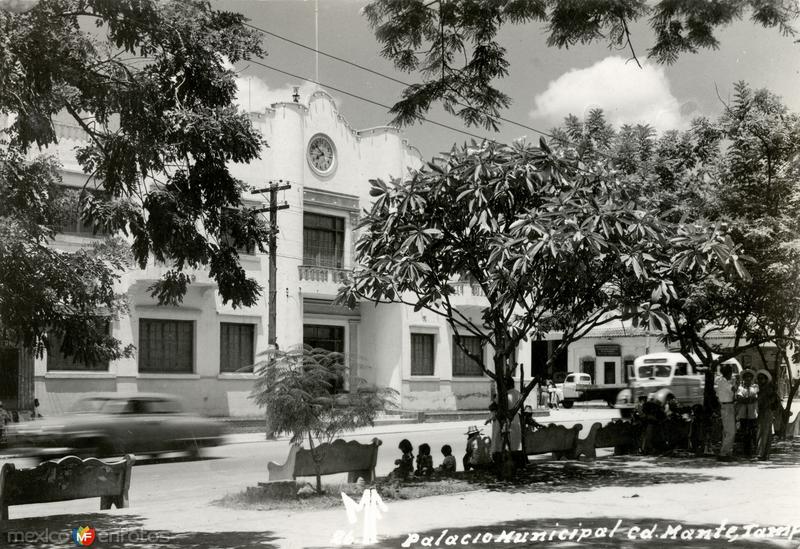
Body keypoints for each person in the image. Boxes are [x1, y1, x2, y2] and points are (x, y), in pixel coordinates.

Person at [756, 370, 780, 461]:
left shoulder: (767, 389)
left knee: (763, 432)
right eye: (759, 378)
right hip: (764, 412)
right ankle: (765, 454)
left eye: (762, 378)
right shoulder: (763, 388)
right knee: (765, 432)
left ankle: (761, 454)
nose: (760, 380)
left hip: (766, 412)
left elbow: (771, 401)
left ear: (766, 379)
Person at [715, 363, 736, 461]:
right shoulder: (723, 381)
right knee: (731, 432)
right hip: (727, 406)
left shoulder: (721, 381)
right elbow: (733, 389)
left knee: (727, 431)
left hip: (727, 406)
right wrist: (736, 382)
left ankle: (727, 452)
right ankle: (723, 453)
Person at [736, 369, 758, 457]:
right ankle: (746, 452)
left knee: (753, 432)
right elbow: (739, 398)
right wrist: (748, 399)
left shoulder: (755, 387)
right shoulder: (740, 388)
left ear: (752, 378)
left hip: (753, 413)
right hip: (743, 414)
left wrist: (746, 400)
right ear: (744, 378)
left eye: (749, 377)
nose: (748, 379)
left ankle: (755, 450)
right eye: (746, 377)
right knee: (745, 433)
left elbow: (755, 398)